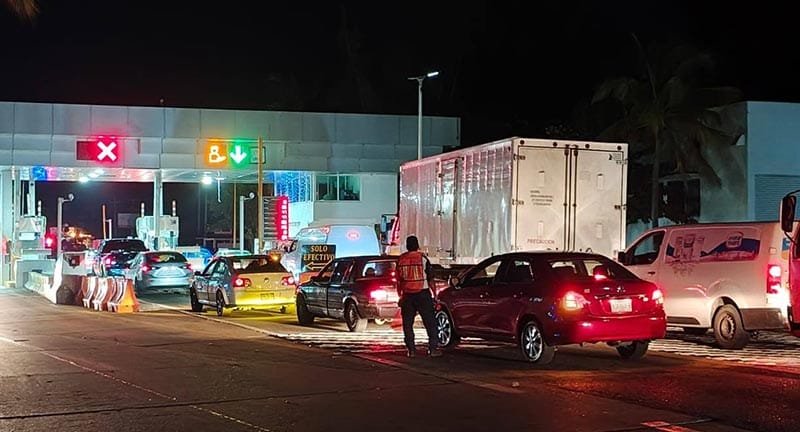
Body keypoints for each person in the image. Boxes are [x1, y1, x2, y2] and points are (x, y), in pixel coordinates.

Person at [396, 235, 442, 358]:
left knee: (407, 324)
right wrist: (435, 295)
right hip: (422, 293)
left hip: (407, 295)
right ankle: (433, 349)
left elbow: (399, 280)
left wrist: (400, 295)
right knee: (430, 322)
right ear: (417, 246)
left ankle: (411, 350)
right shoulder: (423, 258)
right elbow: (430, 278)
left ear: (407, 246)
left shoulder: (401, 259)